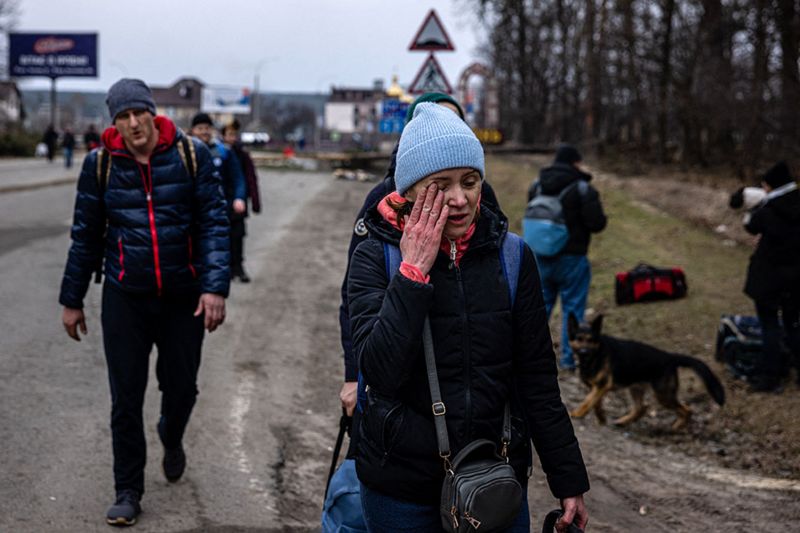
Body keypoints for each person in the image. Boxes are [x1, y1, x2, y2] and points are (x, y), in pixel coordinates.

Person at [347, 103, 590, 532]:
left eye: (470, 181)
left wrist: (568, 479)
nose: (460, 200)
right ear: (409, 190)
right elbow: (379, 372)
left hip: (494, 481)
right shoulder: (376, 256)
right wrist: (413, 273)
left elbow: (536, 378)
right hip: (401, 487)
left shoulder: (513, 258)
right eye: (441, 186)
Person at [59, 78, 231, 526]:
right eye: (122, 117)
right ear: (114, 121)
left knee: (182, 389)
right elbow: (85, 237)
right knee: (125, 398)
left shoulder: (192, 155)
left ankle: (171, 435)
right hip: (125, 297)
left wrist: (214, 287)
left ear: (153, 114)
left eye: (139, 113)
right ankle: (127, 490)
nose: (133, 124)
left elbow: (214, 223)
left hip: (183, 296)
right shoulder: (101, 165)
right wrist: (71, 299)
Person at [337, 92, 500, 420]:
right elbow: (355, 301)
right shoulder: (383, 199)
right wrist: (354, 374)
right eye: (440, 186)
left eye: (455, 120)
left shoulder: (482, 201)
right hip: (400, 410)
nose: (458, 199)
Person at [527, 144, 607, 370]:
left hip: (540, 257)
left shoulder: (537, 185)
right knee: (572, 311)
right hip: (572, 259)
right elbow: (597, 223)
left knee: (538, 309)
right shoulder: (582, 189)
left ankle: (531, 358)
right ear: (575, 162)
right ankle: (568, 360)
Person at [742, 161, 800, 393]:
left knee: (769, 326)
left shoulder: (768, 210)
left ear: (771, 186)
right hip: (796, 279)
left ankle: (770, 376)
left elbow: (751, 226)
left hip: (768, 278)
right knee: (794, 324)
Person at [190, 113, 247, 281]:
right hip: (194, 209)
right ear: (193, 131)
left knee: (229, 239)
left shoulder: (223, 152)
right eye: (200, 128)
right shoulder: (184, 152)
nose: (204, 132)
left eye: (207, 128)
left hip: (220, 206)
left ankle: (231, 270)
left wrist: (239, 197)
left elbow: (238, 177)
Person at [221, 121, 262, 283]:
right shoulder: (217, 153)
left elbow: (250, 179)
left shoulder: (241, 154)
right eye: (229, 134)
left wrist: (255, 201)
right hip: (222, 203)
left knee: (238, 235)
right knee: (224, 237)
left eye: (234, 134)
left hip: (238, 202)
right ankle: (228, 268)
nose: (232, 138)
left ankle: (238, 267)